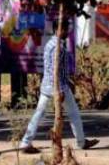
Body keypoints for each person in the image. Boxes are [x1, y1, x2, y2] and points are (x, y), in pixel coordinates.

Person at [19, 18, 99, 154]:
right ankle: (81, 142)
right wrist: (60, 89)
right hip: (57, 86)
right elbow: (53, 70)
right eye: (65, 29)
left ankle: (25, 142)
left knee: (39, 114)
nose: (67, 31)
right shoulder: (58, 47)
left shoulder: (51, 44)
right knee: (73, 113)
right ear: (58, 30)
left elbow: (57, 69)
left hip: (48, 85)